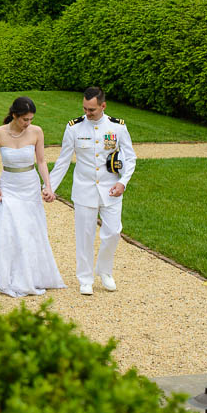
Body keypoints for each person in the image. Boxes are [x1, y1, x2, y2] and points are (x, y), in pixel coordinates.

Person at [44, 87, 136, 295]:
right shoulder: (74, 128)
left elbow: (130, 158)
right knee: (84, 237)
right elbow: (63, 161)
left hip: (111, 189)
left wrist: (123, 182)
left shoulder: (117, 128)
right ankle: (85, 278)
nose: (88, 113)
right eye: (85, 108)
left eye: (92, 110)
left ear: (103, 106)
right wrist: (49, 187)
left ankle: (104, 271)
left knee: (113, 232)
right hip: (84, 190)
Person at [0, 96, 66, 297]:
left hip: (30, 186)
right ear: (14, 116)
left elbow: (41, 161)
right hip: (9, 185)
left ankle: (32, 274)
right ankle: (7, 274)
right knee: (9, 228)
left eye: (31, 119)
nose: (28, 123)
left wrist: (48, 186)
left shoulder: (36, 132)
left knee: (30, 229)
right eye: (25, 119)